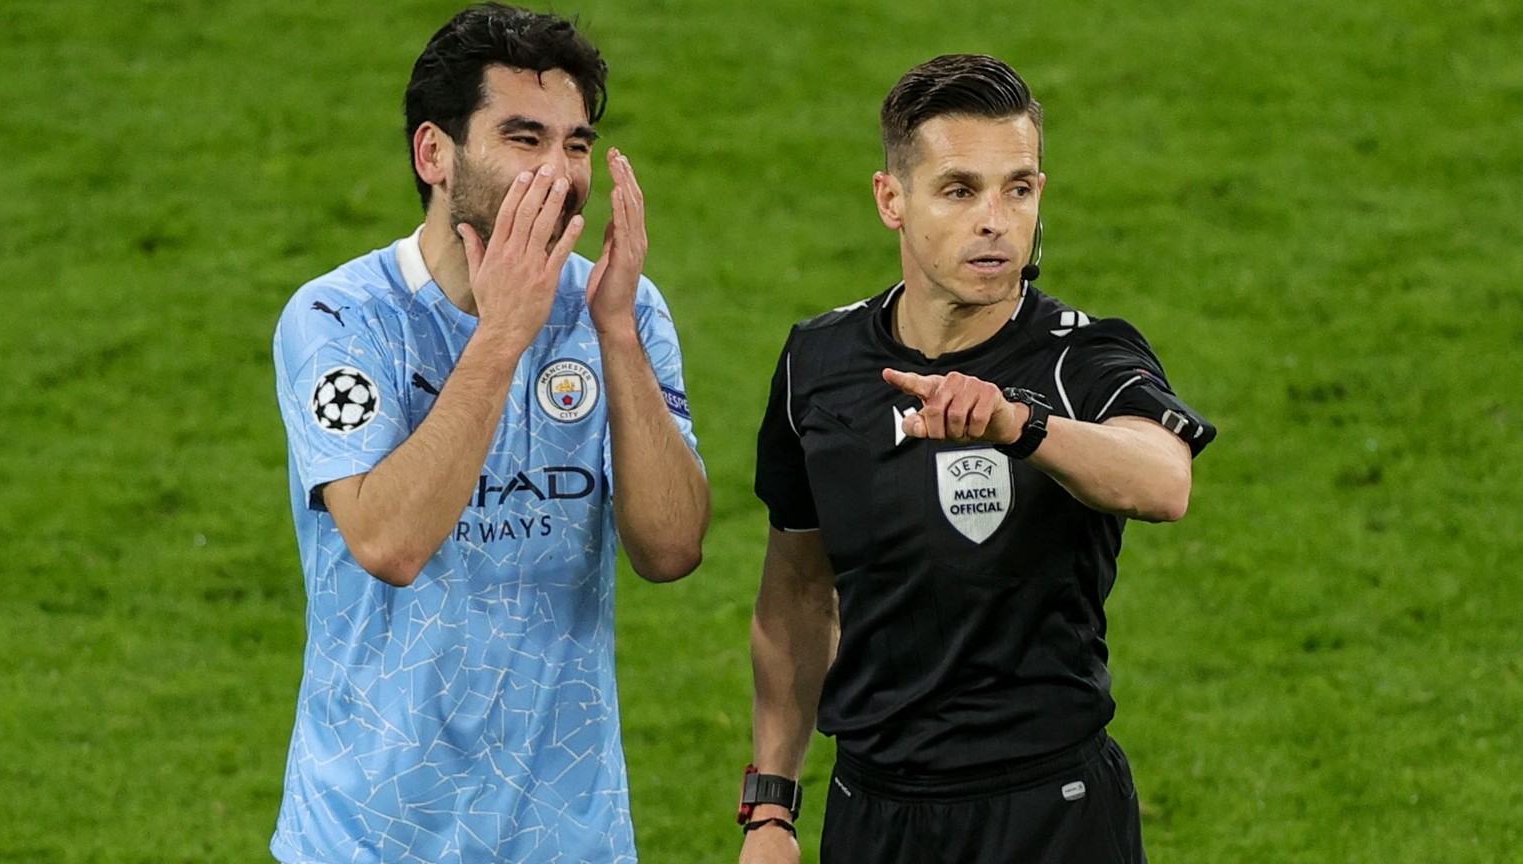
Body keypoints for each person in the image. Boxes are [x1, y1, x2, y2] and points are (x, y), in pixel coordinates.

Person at [738, 54, 1216, 864]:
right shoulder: (817, 365)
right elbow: (795, 593)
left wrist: (1019, 425)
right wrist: (771, 810)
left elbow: (1164, 480)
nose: (995, 219)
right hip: (872, 817)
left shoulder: (1083, 357)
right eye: (960, 190)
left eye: (1018, 188)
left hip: (1052, 815)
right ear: (892, 199)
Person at [269, 4, 709, 862]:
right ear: (435, 153)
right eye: (523, 139)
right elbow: (390, 541)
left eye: (576, 145)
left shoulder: (621, 308)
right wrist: (503, 332)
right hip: (368, 838)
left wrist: (617, 334)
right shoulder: (338, 319)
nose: (560, 172)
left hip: (569, 839)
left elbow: (672, 549)